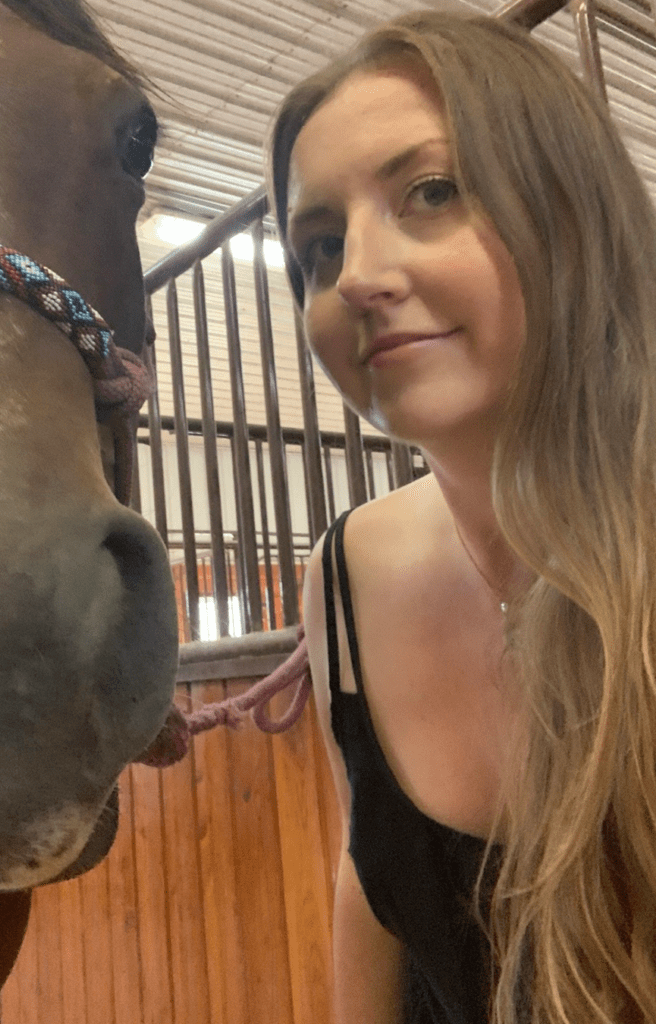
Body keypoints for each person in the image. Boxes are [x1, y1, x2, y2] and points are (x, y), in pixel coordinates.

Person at [268, 10, 656, 1024]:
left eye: (431, 191)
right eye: (318, 247)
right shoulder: (344, 575)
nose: (356, 275)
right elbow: (373, 881)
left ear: (568, 210)